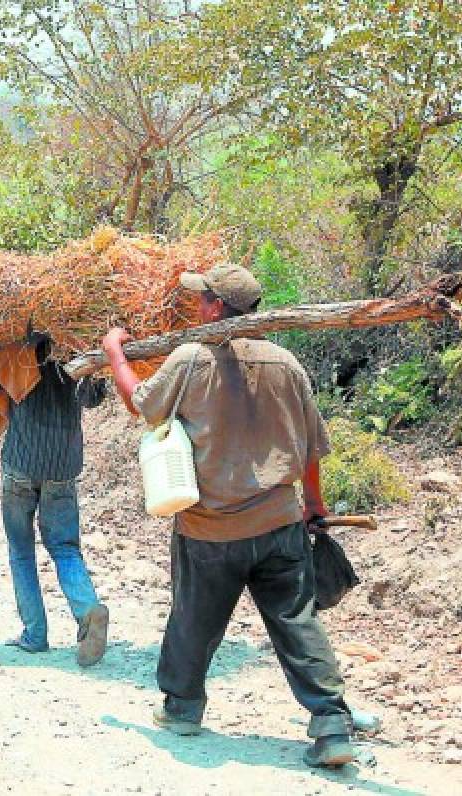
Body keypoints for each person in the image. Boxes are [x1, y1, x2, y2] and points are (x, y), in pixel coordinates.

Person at [101, 262, 356, 767]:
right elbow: (309, 447)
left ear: (217, 308)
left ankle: (182, 707)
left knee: (195, 617)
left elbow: (141, 404)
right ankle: (330, 725)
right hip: (279, 525)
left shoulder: (191, 358)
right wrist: (315, 508)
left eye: (202, 301)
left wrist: (115, 353)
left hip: (209, 527)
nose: (197, 307)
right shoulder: (286, 363)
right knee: (297, 623)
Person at [0, 333, 111, 667]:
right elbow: (93, 397)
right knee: (65, 547)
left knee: (21, 549)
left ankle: (34, 634)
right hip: (63, 464)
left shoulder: (13, 350)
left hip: (21, 463)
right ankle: (86, 608)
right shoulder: (77, 345)